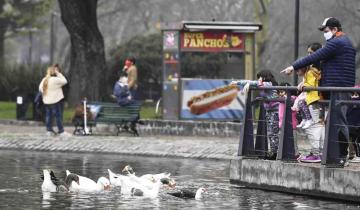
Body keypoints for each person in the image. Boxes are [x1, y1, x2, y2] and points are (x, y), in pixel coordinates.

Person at [281, 17, 356, 166]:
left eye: (326, 30)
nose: (325, 34)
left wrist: (293, 67)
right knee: (335, 121)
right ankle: (337, 154)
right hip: (339, 86)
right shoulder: (343, 42)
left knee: (339, 121)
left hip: (337, 87)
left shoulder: (337, 42)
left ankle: (341, 155)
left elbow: (316, 56)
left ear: (335, 29)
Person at [232, 70, 279, 160]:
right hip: (269, 110)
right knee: (271, 133)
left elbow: (256, 83)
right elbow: (252, 82)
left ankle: (275, 153)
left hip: (274, 111)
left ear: (264, 77)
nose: (259, 79)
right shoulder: (265, 84)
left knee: (273, 133)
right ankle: (274, 152)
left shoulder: (268, 84)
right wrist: (238, 83)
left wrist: (250, 84)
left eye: (260, 77)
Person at [39, 66, 69, 137]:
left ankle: (49, 131)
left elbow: (40, 89)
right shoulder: (55, 80)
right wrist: (59, 73)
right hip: (55, 101)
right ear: (54, 72)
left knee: (48, 116)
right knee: (58, 116)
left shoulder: (44, 79)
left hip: (46, 101)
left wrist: (45, 95)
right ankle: (61, 131)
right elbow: (65, 81)